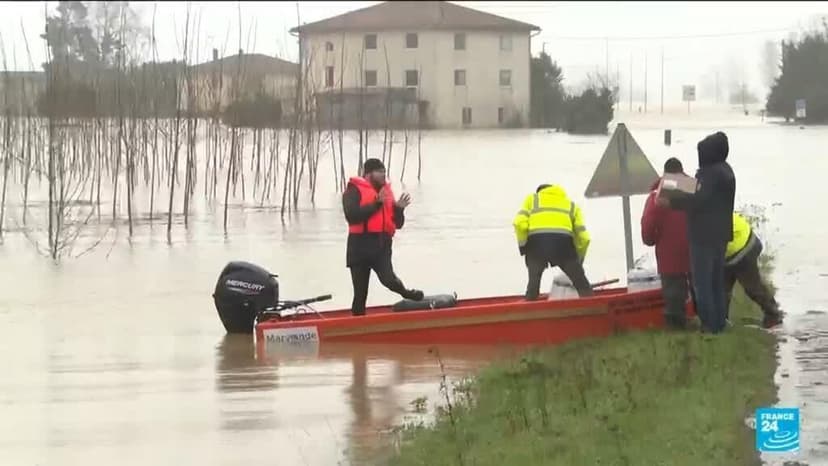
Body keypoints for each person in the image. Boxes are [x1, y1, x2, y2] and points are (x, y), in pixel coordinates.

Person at [659, 131, 735, 334]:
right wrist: (673, 182)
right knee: (716, 283)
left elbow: (697, 197)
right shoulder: (726, 171)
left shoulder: (710, 173)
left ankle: (709, 327)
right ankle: (719, 324)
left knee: (703, 284)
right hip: (720, 234)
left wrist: (670, 201)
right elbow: (701, 190)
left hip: (703, 236)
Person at [342, 158, 424, 316]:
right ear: (368, 174)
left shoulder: (386, 193)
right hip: (358, 247)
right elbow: (351, 216)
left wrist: (399, 209)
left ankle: (406, 293)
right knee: (360, 294)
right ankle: (357, 323)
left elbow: (397, 224)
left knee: (389, 280)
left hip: (381, 246)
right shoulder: (353, 190)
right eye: (380, 171)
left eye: (384, 171)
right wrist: (376, 204)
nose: (383, 175)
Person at [513, 184, 594, 300]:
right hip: (563, 244)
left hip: (537, 244)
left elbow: (519, 224)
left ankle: (531, 300)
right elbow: (585, 238)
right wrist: (578, 261)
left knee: (533, 283)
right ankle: (592, 304)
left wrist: (523, 246)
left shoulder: (532, 199)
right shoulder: (571, 205)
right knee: (582, 284)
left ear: (539, 192)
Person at [641, 157, 691, 330]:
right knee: (700, 287)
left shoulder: (657, 195)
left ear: (665, 174)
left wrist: (649, 240)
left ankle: (676, 327)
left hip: (670, 253)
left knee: (673, 291)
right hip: (697, 248)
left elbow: (648, 224)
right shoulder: (694, 188)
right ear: (682, 171)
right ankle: (705, 321)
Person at [724, 212, 784, 328]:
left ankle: (774, 315)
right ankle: (722, 321)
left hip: (744, 247)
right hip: (728, 249)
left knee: (752, 287)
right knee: (721, 288)